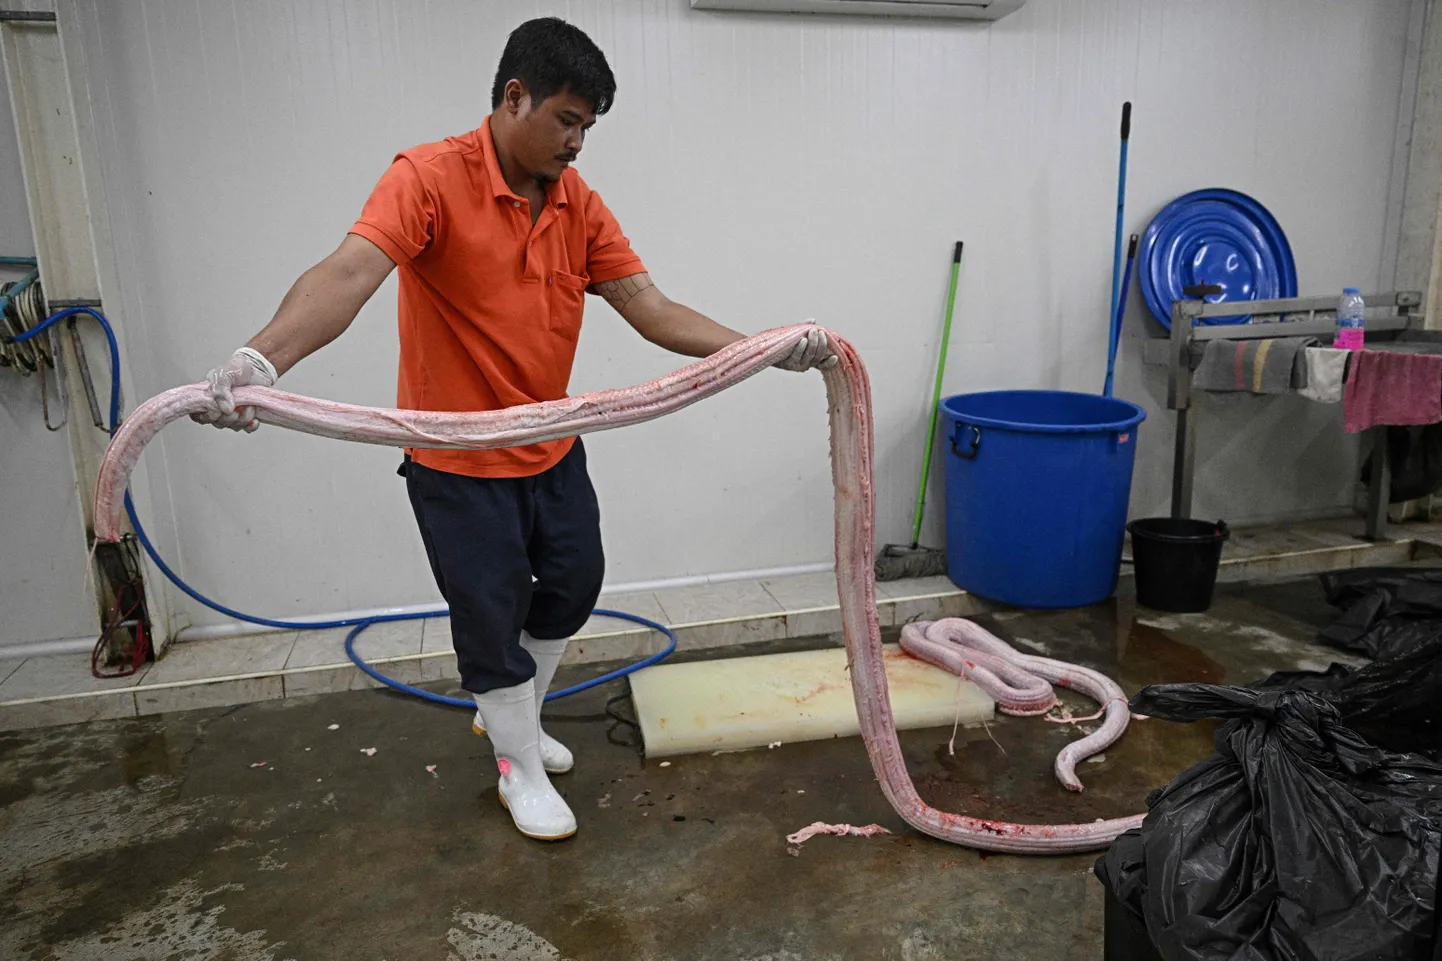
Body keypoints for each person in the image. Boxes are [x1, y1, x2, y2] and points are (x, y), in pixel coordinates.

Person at [192, 17, 834, 842]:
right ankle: (515, 762)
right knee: (490, 617)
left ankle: (513, 721)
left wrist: (766, 348)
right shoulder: (427, 177)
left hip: (551, 442)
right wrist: (260, 359)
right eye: (566, 121)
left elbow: (651, 307)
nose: (576, 144)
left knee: (575, 582)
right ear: (513, 96)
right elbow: (348, 272)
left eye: (588, 128)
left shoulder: (577, 204)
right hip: (457, 460)